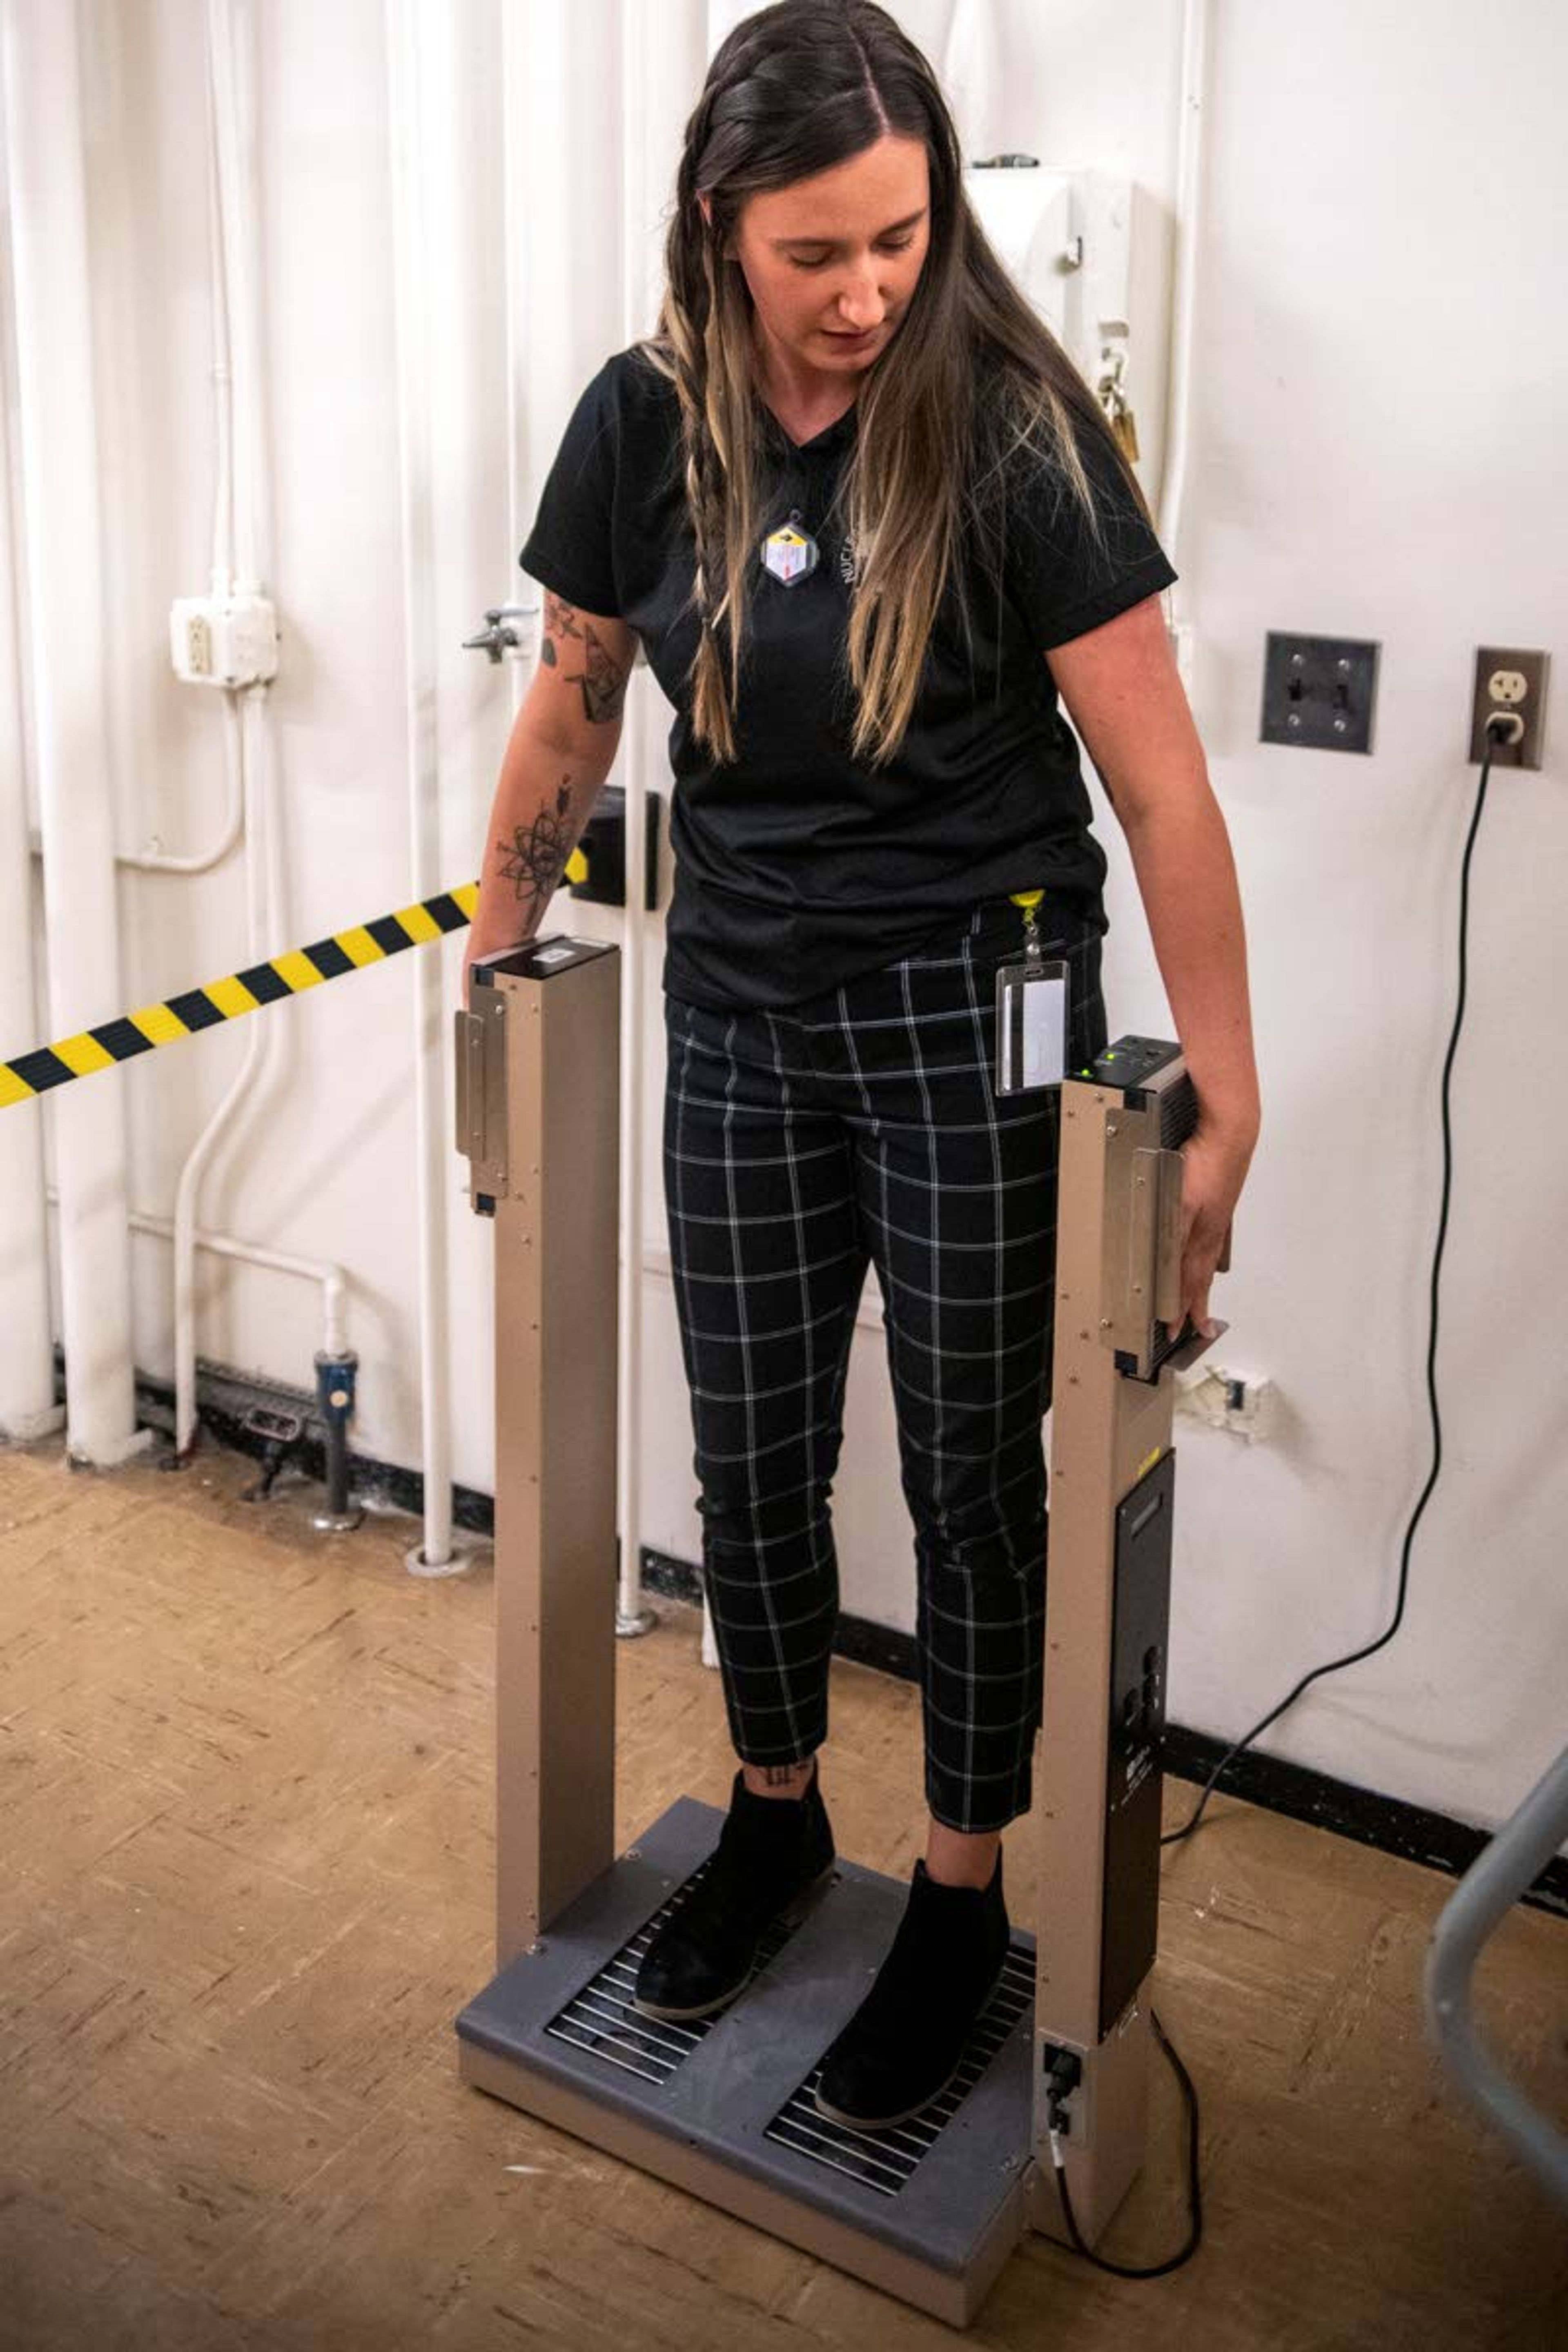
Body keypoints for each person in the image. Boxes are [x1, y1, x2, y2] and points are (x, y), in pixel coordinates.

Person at [466, 0, 1258, 2134]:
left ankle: (962, 1888)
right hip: (739, 996)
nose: (867, 289)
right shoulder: (640, 425)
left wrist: (1230, 1103)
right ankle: (776, 1810)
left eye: (900, 237)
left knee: (973, 1478)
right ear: (722, 225)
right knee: (750, 1452)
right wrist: (494, 939)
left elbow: (1164, 792)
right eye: (817, 251)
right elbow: (567, 707)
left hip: (980, 988)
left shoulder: (1010, 426)